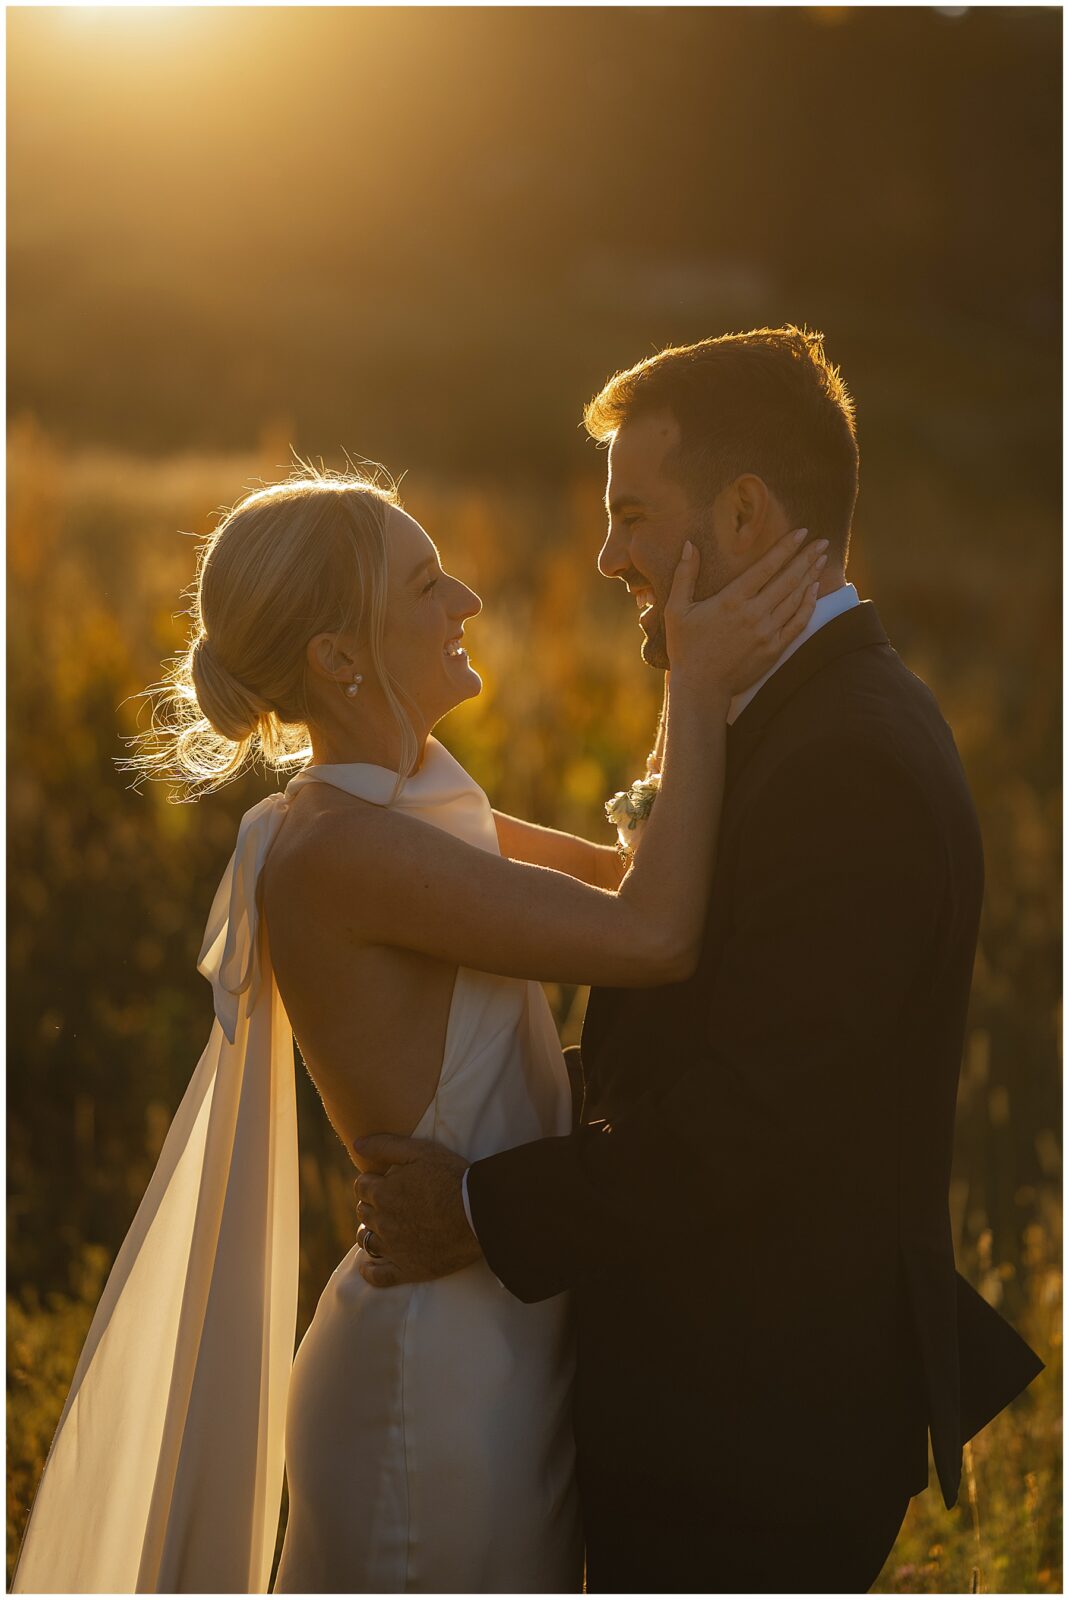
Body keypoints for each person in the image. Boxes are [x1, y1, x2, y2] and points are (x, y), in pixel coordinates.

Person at [10, 461, 825, 1593]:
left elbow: (632, 876)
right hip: (432, 1375)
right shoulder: (340, 850)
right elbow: (651, 937)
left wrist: (741, 669)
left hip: (502, 1334)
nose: (469, 604)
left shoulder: (421, 800)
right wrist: (691, 690)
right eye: (426, 585)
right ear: (339, 657)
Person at [350, 327, 1045, 1594]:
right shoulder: (780, 713)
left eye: (631, 515)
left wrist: (476, 1207)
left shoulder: (851, 762)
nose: (607, 554)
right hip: (719, 1391)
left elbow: (750, 1123)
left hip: (759, 1419)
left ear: (741, 510)